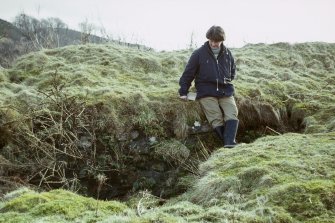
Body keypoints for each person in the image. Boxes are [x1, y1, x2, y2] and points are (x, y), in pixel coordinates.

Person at [178, 25, 239, 148]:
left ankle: (229, 143)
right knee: (215, 117)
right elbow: (188, 73)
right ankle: (230, 144)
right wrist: (183, 91)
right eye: (211, 40)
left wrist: (226, 79)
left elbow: (232, 71)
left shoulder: (227, 53)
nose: (213, 43)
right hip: (206, 91)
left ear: (222, 40)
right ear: (208, 39)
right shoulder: (198, 54)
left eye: (217, 41)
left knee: (232, 113)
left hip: (225, 90)